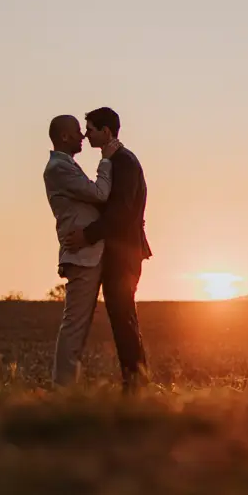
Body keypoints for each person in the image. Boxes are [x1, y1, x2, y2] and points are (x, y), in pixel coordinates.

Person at [64, 107, 151, 391]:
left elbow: (121, 212)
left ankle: (135, 384)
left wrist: (87, 235)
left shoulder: (123, 162)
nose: (86, 135)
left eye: (90, 129)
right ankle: (136, 382)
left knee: (123, 318)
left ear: (106, 131)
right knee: (123, 318)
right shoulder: (117, 160)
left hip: (124, 254)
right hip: (121, 252)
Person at [43, 114, 120, 386]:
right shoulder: (59, 169)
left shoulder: (66, 165)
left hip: (89, 253)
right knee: (75, 326)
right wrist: (106, 160)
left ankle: (68, 388)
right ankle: (63, 388)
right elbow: (99, 193)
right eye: (78, 131)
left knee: (79, 327)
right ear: (65, 136)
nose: (83, 137)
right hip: (82, 256)